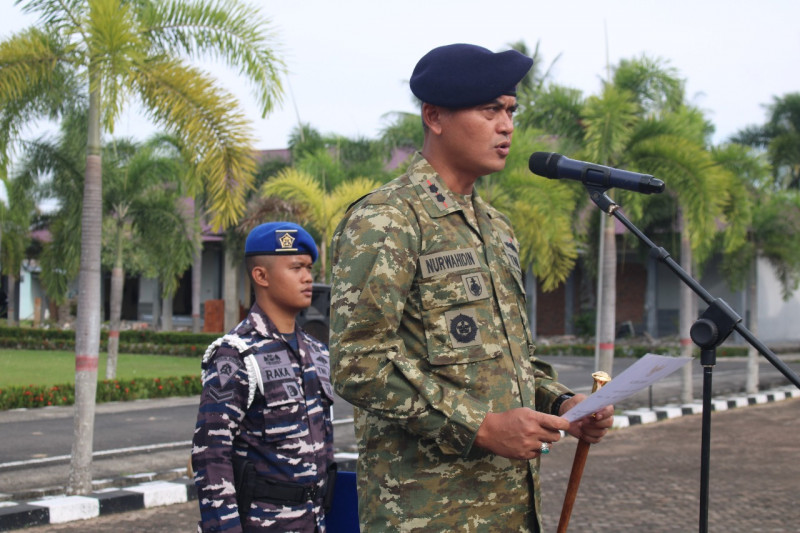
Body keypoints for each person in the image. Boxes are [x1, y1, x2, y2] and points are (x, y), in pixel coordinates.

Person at [328, 43, 614, 532]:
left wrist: (562, 405)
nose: (507, 126)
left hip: (508, 509)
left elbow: (507, 363)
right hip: (429, 513)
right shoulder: (389, 219)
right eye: (489, 111)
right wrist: (477, 426)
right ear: (434, 117)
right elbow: (358, 363)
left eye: (510, 111)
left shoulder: (495, 228)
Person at [192, 221, 336, 533]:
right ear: (261, 275)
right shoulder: (236, 354)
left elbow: (326, 450)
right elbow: (211, 456)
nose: (308, 277)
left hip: (316, 523)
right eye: (296, 267)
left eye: (309, 267)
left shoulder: (317, 352)